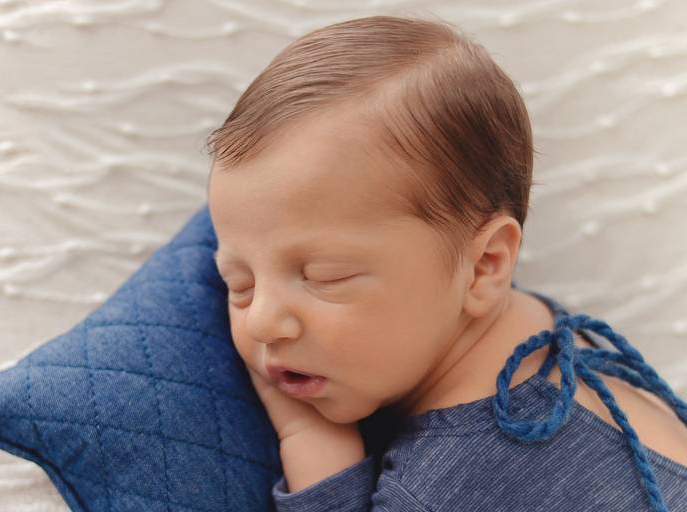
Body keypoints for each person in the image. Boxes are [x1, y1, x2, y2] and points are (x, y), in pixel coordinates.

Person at [204, 14, 687, 511]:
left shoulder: (446, 485)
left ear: (485, 265)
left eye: (325, 276)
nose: (261, 321)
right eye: (239, 284)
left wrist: (309, 438)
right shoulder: (536, 330)